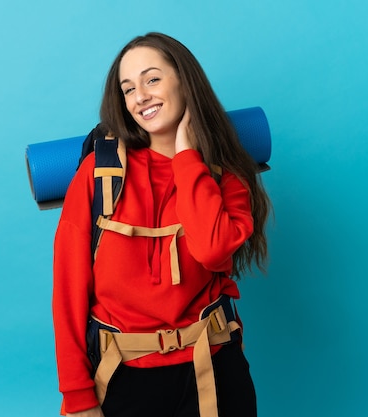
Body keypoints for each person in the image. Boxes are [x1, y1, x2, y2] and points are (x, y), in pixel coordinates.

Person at [52, 32, 271, 417]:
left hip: (213, 373)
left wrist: (187, 157)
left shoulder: (226, 179)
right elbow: (68, 291)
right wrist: (77, 396)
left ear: (185, 81)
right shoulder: (98, 176)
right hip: (123, 379)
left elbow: (211, 248)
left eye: (152, 79)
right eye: (128, 88)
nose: (140, 96)